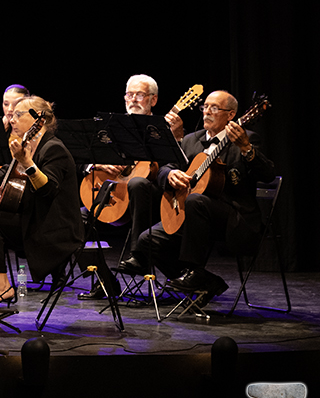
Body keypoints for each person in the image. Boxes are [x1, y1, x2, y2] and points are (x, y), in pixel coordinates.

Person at [136, 90, 275, 300]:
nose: (207, 112)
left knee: (196, 200)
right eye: (205, 107)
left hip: (233, 218)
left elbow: (268, 175)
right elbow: (166, 167)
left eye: (214, 108)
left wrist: (246, 148)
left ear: (231, 115)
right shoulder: (191, 140)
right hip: (193, 217)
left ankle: (195, 271)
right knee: (148, 240)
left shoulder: (246, 139)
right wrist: (170, 174)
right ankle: (205, 282)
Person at [0, 95, 84, 307]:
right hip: (33, 218)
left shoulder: (53, 148)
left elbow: (48, 190)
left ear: (37, 118)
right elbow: (8, 168)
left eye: (18, 115)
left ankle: (1, 287)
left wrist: (28, 163)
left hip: (53, 228)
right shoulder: (29, 144)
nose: (11, 119)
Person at [79, 74, 184, 299]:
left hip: (152, 200)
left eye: (140, 95)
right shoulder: (110, 126)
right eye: (129, 94)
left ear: (153, 100)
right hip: (118, 196)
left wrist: (177, 140)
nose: (133, 99)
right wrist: (96, 164)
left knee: (137, 182)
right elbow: (82, 158)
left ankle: (139, 256)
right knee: (76, 219)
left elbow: (175, 166)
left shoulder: (163, 128)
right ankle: (105, 282)